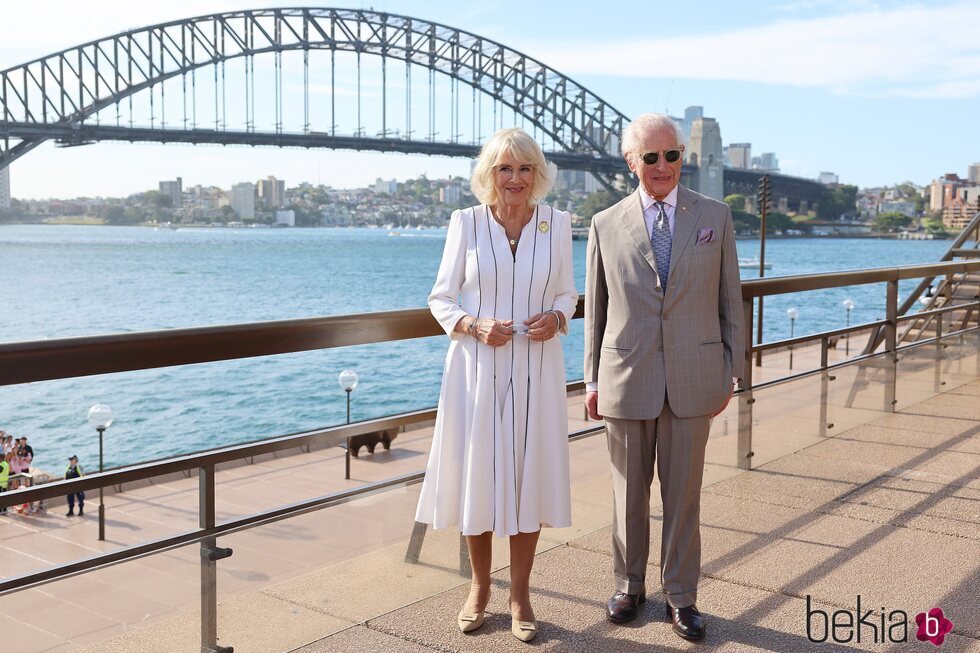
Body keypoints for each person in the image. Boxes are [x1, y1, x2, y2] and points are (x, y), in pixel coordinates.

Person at [584, 113, 745, 641]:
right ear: (631, 162)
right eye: (650, 157)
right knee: (627, 493)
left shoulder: (714, 216)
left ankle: (682, 596)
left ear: (683, 156)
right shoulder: (605, 223)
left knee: (684, 496)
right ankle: (629, 586)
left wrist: (731, 371)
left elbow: (730, 302)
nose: (662, 166)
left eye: (671, 155)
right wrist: (591, 380)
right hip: (626, 376)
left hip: (696, 376)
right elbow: (598, 312)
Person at [415, 127, 577, 643]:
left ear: (538, 175)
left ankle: (521, 594)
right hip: (476, 370)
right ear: (489, 174)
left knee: (528, 476)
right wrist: (473, 325)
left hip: (536, 366)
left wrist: (557, 315)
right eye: (504, 168)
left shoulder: (558, 224)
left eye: (524, 168)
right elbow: (441, 299)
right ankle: (479, 589)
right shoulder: (465, 223)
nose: (514, 178)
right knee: (477, 478)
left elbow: (569, 293)